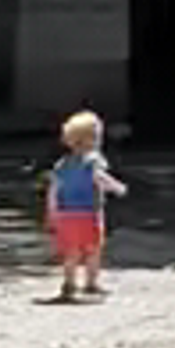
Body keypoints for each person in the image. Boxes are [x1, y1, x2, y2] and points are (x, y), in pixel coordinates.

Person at [42, 107, 122, 304]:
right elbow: (99, 178)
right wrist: (117, 187)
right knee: (93, 248)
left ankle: (69, 284)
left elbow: (54, 189)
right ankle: (91, 282)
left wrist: (52, 212)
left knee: (71, 251)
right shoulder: (94, 161)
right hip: (89, 212)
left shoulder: (61, 164)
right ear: (93, 139)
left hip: (66, 214)